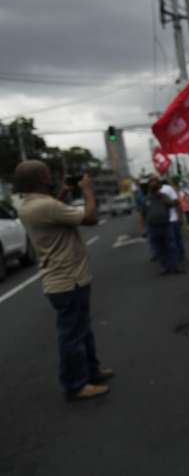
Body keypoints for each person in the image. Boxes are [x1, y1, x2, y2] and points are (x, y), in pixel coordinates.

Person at [14, 161, 113, 401]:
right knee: (72, 335)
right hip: (67, 280)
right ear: (40, 180)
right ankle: (76, 384)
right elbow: (90, 218)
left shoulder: (32, 204)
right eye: (48, 175)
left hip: (68, 278)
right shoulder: (45, 206)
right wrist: (87, 190)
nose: (52, 177)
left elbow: (55, 214)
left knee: (83, 329)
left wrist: (62, 194)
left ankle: (92, 371)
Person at [146, 176, 181, 275]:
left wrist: (162, 197)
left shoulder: (164, 196)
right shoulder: (147, 198)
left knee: (171, 246)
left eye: (155, 185)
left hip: (166, 225)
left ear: (159, 187)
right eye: (152, 185)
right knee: (159, 248)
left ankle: (174, 266)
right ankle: (164, 267)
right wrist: (144, 228)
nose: (154, 188)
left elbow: (173, 203)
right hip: (153, 227)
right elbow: (143, 213)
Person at [160, 178, 184, 265]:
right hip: (165, 220)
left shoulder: (167, 189)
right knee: (171, 241)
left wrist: (180, 217)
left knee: (175, 239)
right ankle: (175, 257)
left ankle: (179, 256)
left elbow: (177, 202)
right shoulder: (156, 192)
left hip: (173, 219)